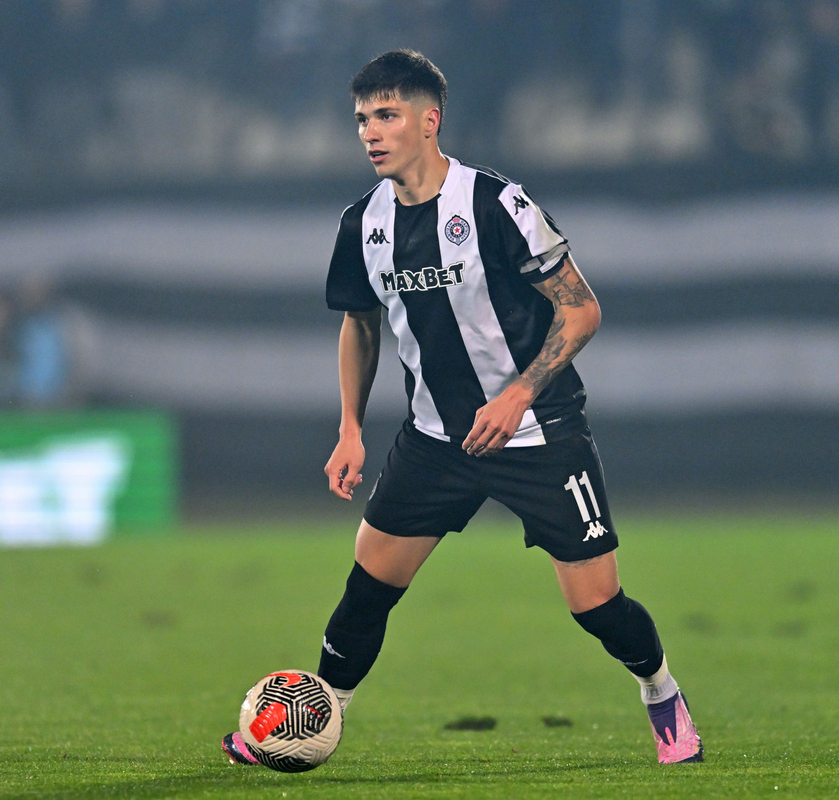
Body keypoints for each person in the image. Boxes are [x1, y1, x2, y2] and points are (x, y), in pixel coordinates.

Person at [223, 49, 703, 767]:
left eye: (386, 115)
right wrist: (351, 427)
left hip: (540, 432)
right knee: (368, 586)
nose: (370, 133)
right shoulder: (363, 224)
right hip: (436, 441)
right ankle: (308, 722)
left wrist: (518, 393)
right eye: (361, 119)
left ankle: (660, 691)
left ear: (429, 120)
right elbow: (359, 325)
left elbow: (581, 311)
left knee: (597, 606)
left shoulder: (495, 204)